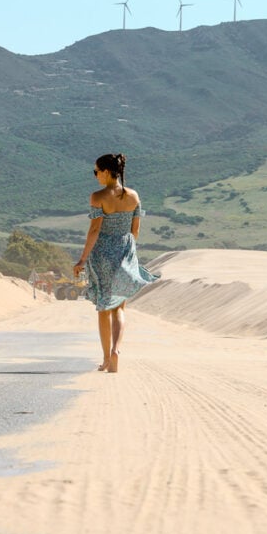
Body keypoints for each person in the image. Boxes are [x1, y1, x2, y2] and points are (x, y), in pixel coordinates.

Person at [73, 153, 159, 372]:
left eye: (96, 172)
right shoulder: (133, 196)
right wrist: (127, 252)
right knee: (119, 306)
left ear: (106, 171)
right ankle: (117, 350)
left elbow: (94, 230)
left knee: (103, 306)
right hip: (125, 250)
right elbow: (135, 230)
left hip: (102, 252)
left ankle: (105, 359)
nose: (95, 176)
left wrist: (82, 259)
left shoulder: (98, 196)